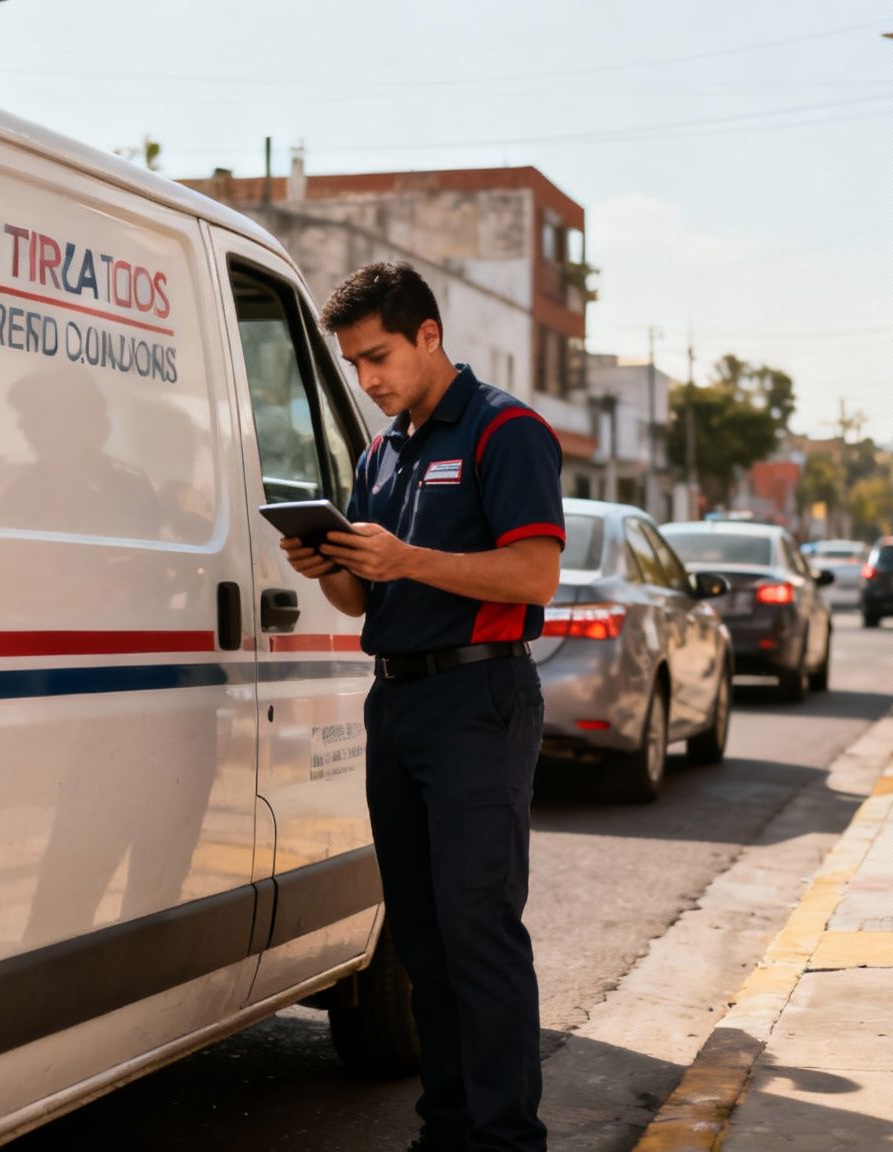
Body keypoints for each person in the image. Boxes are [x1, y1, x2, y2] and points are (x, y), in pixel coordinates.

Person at [281, 262, 561, 1152]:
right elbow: (365, 604)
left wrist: (406, 559)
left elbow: (534, 574)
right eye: (354, 364)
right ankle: (448, 1130)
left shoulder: (505, 430)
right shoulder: (380, 451)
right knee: (422, 936)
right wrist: (332, 568)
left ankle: (506, 1139)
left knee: (479, 928)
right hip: (395, 702)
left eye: (378, 357)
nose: (366, 380)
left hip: (479, 696)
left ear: (429, 336)